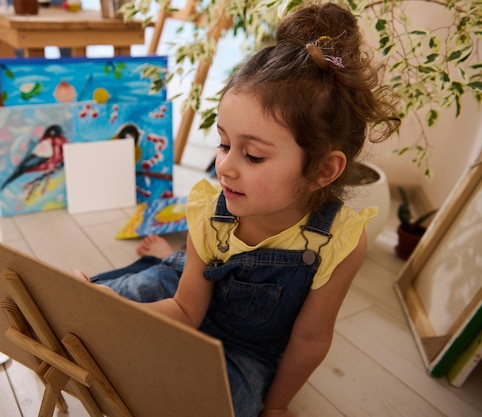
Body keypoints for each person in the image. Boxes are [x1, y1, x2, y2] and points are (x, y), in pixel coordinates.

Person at [74, 3, 400, 416]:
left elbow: (309, 340)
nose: (224, 166)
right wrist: (109, 312)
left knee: (219, 404)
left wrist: (277, 407)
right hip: (185, 296)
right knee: (106, 301)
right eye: (224, 144)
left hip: (248, 351)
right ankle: (160, 264)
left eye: (253, 156)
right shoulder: (211, 210)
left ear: (323, 170)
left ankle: (159, 266)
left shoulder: (340, 242)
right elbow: (185, 309)